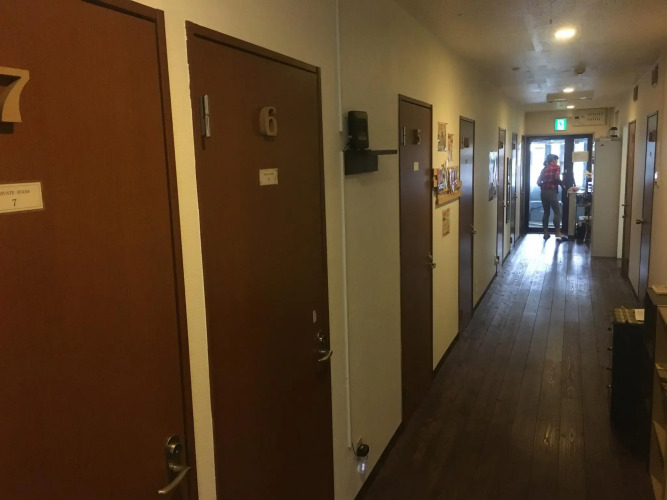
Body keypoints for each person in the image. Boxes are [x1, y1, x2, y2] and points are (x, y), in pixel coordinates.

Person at [537, 153, 566, 239]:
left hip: (543, 193)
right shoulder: (556, 167)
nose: (557, 162)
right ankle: (557, 232)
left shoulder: (544, 169)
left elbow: (538, 182)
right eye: (556, 160)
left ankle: (545, 233)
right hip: (552, 192)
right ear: (553, 160)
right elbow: (557, 177)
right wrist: (562, 185)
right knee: (557, 212)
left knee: (546, 212)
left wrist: (544, 185)